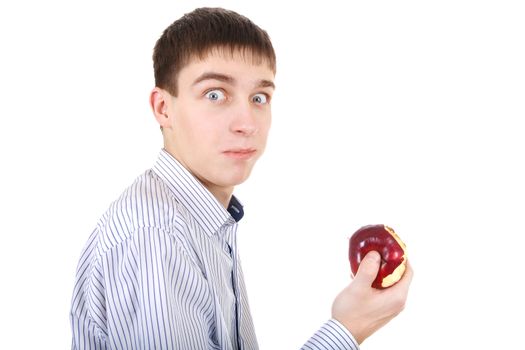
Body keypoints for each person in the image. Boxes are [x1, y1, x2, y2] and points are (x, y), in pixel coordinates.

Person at [70, 7, 413, 350]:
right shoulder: (157, 236)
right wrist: (347, 330)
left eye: (259, 98)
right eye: (215, 94)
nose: (247, 123)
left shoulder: (202, 219)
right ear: (163, 108)